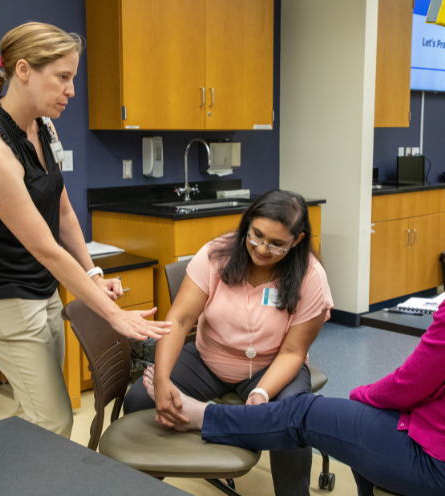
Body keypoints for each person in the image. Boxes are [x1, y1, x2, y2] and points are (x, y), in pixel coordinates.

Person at [142, 156, 445, 496]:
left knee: (306, 411)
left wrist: (361, 401)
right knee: (344, 425)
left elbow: (405, 387)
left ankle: (206, 418)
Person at [0, 22, 170, 438]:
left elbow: (64, 213)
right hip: (0, 297)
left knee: (35, 411)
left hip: (39, 288)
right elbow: (46, 249)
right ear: (22, 70)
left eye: (73, 77)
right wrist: (114, 317)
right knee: (54, 418)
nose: (72, 90)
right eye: (63, 78)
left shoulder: (45, 128)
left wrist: (92, 273)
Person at [123, 190, 334, 496]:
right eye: (256, 235)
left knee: (292, 420)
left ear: (297, 240)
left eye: (277, 243)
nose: (262, 249)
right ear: (246, 224)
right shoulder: (216, 255)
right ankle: (137, 487)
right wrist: (164, 378)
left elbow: (293, 351)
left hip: (272, 365)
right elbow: (180, 320)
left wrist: (263, 393)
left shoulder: (311, 276)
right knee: (140, 399)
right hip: (208, 358)